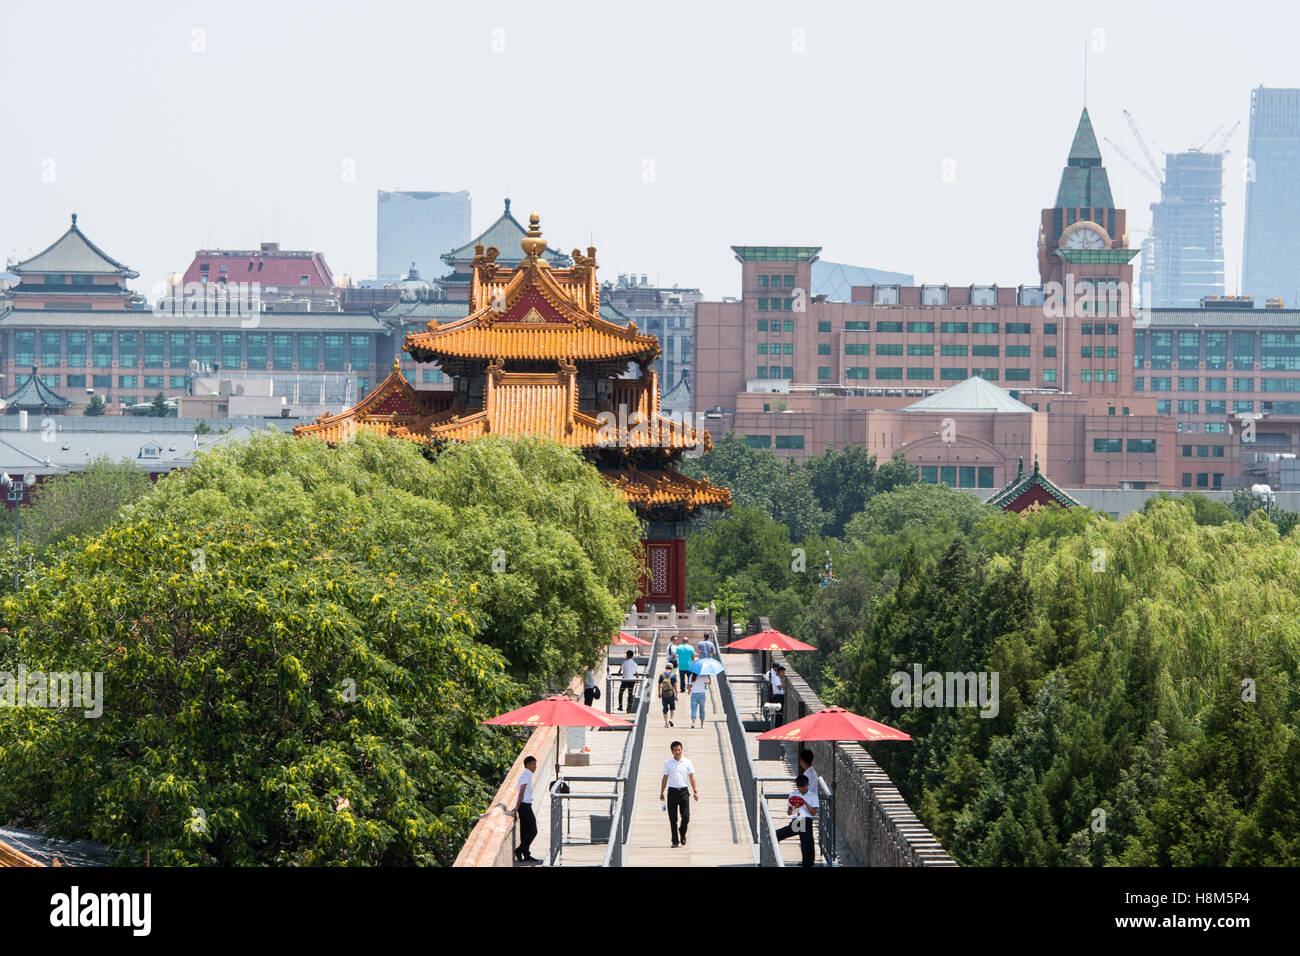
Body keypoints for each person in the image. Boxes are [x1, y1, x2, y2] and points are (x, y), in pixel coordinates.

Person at [659, 740, 699, 848]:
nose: (678, 752)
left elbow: (692, 777)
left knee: (686, 816)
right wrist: (661, 791)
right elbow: (665, 778)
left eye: (679, 750)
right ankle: (675, 841)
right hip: (672, 792)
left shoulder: (687, 762)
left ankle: (682, 831)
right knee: (673, 818)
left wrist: (695, 791)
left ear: (682, 750)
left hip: (684, 792)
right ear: (672, 751)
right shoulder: (668, 763)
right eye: (675, 750)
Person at [774, 773, 817, 867]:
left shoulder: (813, 795)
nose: (800, 789)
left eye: (802, 787)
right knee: (807, 839)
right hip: (797, 820)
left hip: (806, 819)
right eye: (799, 787)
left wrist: (805, 803)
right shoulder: (793, 794)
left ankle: (808, 862)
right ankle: (808, 862)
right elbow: (789, 812)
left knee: (806, 839)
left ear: (807, 785)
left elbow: (813, 812)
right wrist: (796, 808)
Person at [513, 755, 541, 864]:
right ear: (528, 764)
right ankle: (520, 850)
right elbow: (522, 791)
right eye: (534, 764)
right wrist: (517, 806)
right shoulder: (526, 775)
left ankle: (525, 853)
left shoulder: (527, 775)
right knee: (533, 830)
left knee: (525, 831)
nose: (535, 766)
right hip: (524, 805)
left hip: (526, 805)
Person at [658, 662, 678, 728]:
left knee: (665, 709)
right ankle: (671, 719)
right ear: (671, 668)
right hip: (671, 693)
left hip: (664, 694)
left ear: (665, 668)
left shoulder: (662, 675)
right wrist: (677, 695)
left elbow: (659, 685)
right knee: (672, 708)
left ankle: (666, 723)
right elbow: (675, 686)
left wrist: (659, 693)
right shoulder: (673, 675)